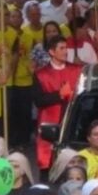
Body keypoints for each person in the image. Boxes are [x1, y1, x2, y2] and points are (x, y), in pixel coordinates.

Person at [34, 36, 82, 171]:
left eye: (66, 48)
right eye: (61, 48)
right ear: (52, 51)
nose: (66, 51)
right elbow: (38, 101)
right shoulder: (41, 74)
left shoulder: (77, 70)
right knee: (47, 162)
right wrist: (59, 95)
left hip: (73, 120)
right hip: (50, 121)